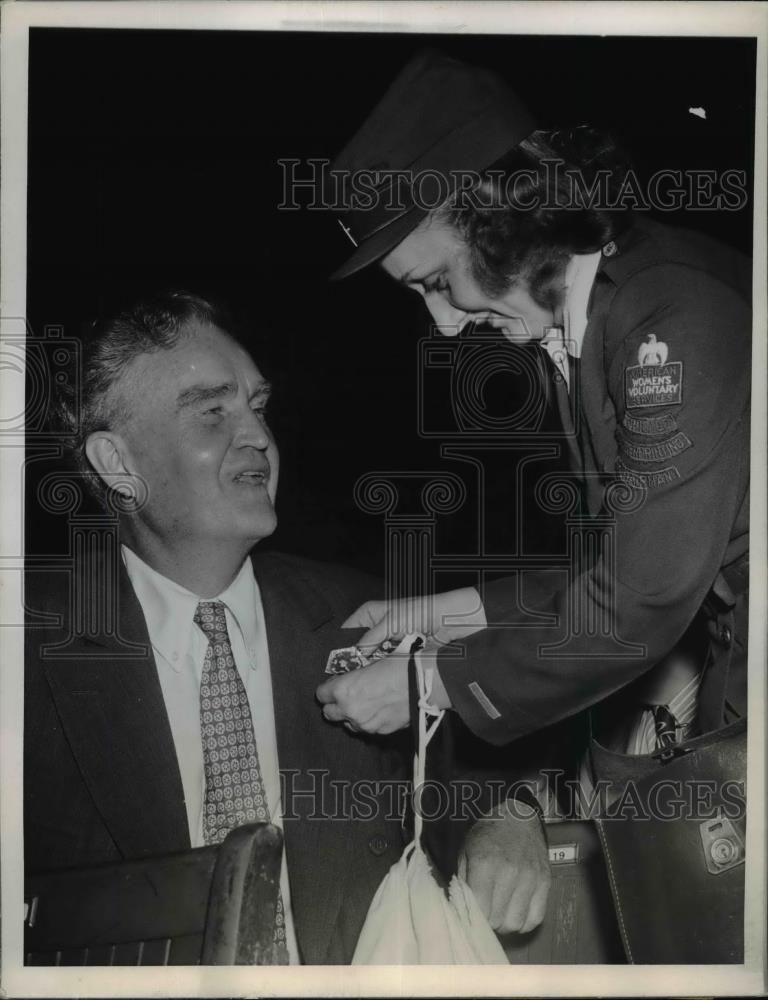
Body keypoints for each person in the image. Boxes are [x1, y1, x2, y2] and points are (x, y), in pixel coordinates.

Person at [24, 291, 550, 964]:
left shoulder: (361, 617)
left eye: (258, 407)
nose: (259, 438)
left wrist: (512, 814)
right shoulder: (30, 647)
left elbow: (495, 748)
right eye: (213, 411)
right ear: (116, 463)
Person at [316, 50, 749, 800]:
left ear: (501, 220)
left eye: (439, 282)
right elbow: (617, 564)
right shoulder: (594, 323)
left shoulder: (670, 315)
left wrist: (433, 682)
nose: (446, 326)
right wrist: (444, 615)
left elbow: (641, 595)